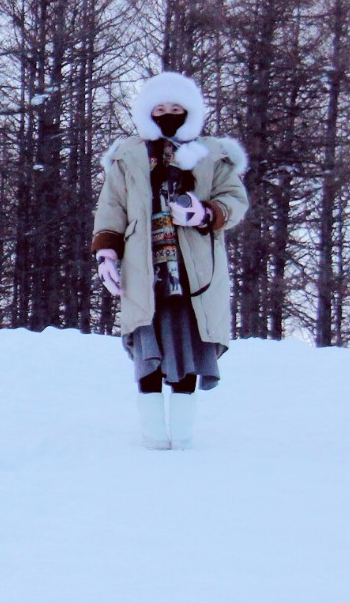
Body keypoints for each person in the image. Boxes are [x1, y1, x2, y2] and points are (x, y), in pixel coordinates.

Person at [90, 71, 249, 449]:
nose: (167, 114)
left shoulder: (212, 154)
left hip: (195, 273)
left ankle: (181, 433)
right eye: (159, 108)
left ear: (190, 111)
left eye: (176, 108)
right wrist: (106, 254)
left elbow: (235, 200)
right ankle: (152, 434)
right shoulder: (128, 156)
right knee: (148, 346)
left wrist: (205, 213)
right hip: (144, 271)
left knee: (188, 345)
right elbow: (111, 207)